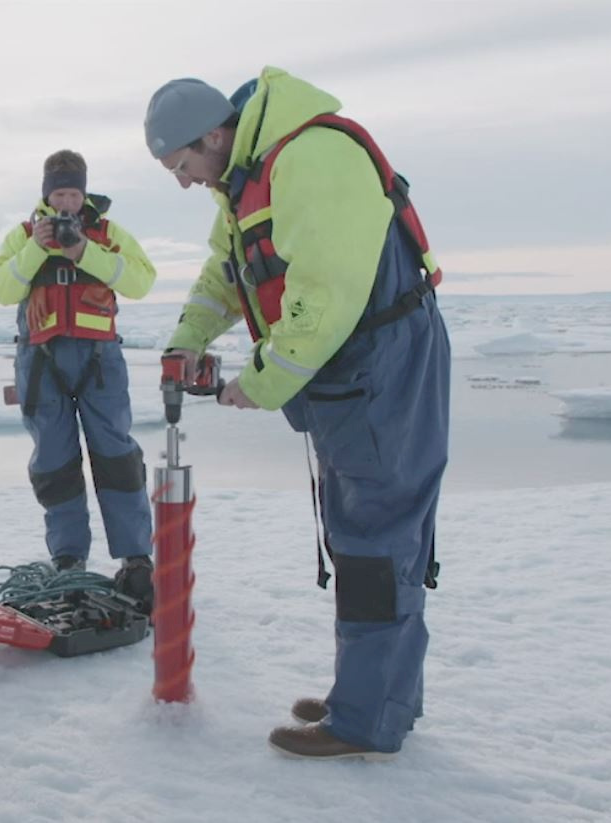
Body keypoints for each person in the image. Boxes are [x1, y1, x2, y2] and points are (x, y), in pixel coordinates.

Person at [143, 67, 450, 759]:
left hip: (377, 363)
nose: (183, 180)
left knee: (375, 535)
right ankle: (375, 693)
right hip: (348, 369)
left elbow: (326, 290)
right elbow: (230, 273)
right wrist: (188, 338)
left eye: (181, 163)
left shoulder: (310, 155)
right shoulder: (247, 177)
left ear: (213, 135)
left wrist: (261, 379)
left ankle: (365, 720)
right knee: (359, 530)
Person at [0, 150, 157, 600]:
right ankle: (68, 558)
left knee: (116, 455)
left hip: (99, 362)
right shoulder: (23, 235)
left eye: (73, 194)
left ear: (84, 193)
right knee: (55, 461)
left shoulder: (108, 234)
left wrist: (85, 251)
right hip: (42, 364)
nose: (66, 204)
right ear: (46, 194)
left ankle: (136, 557)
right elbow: (1, 289)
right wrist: (35, 249)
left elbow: (141, 281)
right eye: (58, 194)